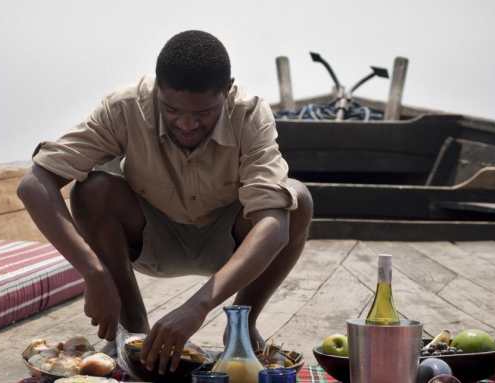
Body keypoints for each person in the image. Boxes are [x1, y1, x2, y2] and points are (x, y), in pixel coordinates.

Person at [17, 30, 313, 375]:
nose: (187, 124)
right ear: (158, 88)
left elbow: (274, 229)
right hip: (150, 240)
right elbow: (34, 185)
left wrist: (198, 306)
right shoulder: (125, 107)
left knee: (296, 200)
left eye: (203, 113)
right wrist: (92, 272)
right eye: (172, 110)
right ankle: (131, 333)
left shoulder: (249, 115)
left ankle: (241, 326)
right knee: (91, 190)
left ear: (227, 90)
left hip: (230, 246)